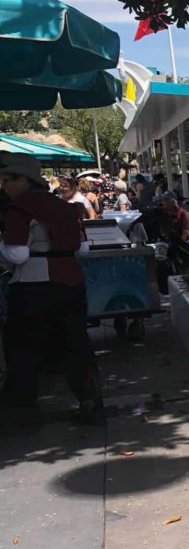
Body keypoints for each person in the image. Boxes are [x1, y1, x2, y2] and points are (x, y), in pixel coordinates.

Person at [0, 154, 102, 426]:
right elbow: (82, 248)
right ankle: (90, 403)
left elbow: (18, 254)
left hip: (32, 286)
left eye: (6, 180)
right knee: (76, 344)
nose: (3, 186)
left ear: (24, 180)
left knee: (22, 348)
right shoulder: (67, 207)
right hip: (72, 282)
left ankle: (22, 413)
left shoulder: (18, 209)